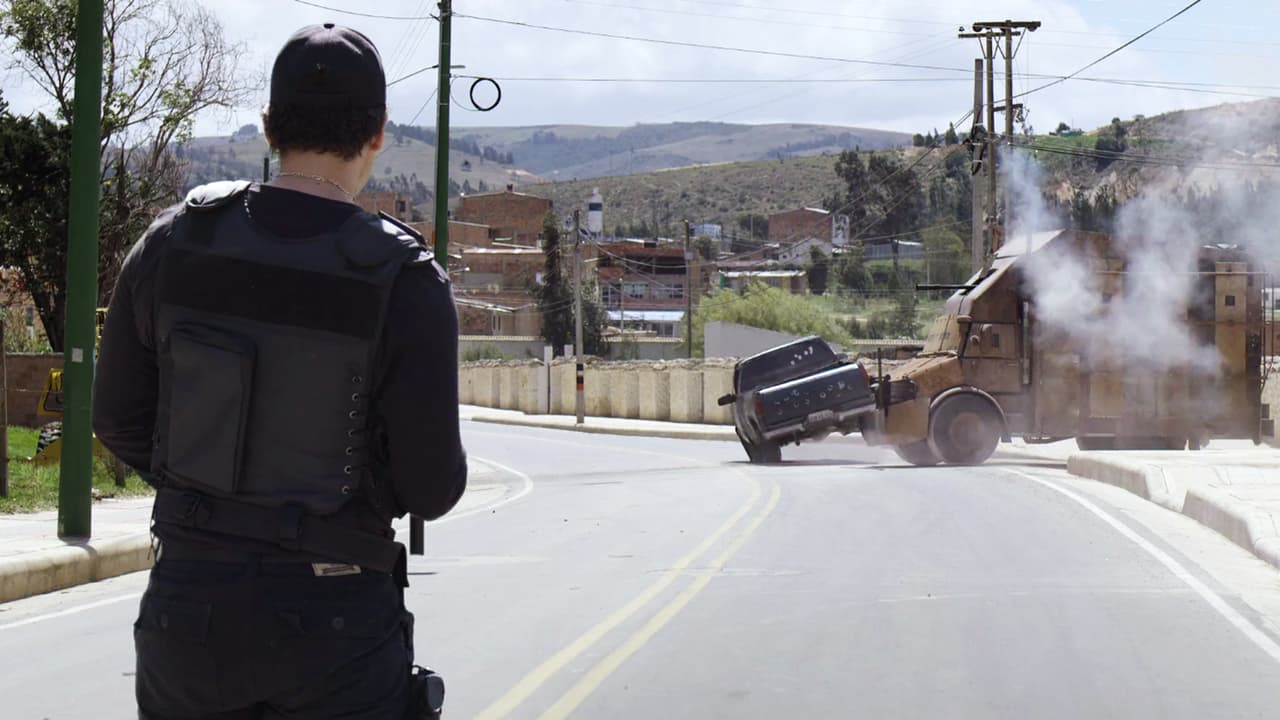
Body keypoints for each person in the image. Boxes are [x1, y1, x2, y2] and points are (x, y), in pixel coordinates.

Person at [93, 23, 466, 719]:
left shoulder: (172, 242)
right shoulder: (404, 279)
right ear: (379, 133)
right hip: (337, 628)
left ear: (269, 126)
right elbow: (431, 485)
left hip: (188, 615)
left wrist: (209, 495)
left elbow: (116, 417)